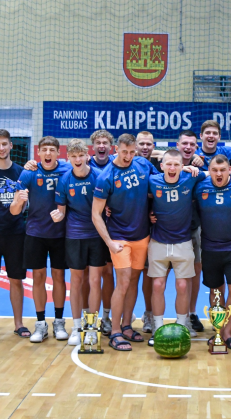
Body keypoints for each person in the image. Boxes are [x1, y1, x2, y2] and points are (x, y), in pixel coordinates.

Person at [92, 133, 158, 351]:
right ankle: (115, 332)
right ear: (115, 150)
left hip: (142, 235)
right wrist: (109, 243)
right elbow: (96, 214)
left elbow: (160, 183)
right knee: (123, 282)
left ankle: (127, 325)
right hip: (119, 238)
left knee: (133, 282)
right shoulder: (106, 176)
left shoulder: (143, 165)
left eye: (132, 152)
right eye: (124, 152)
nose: (128, 156)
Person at [10, 136, 70, 343]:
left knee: (59, 277)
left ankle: (59, 322)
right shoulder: (29, 172)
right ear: (38, 152)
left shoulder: (67, 169)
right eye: (44, 150)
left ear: (58, 153)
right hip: (35, 233)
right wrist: (19, 201)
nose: (48, 153)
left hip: (61, 233)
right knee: (38, 277)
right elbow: (14, 210)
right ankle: (41, 324)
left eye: (52, 150)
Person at [147, 150, 204, 346]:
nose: (172, 168)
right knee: (157, 285)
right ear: (161, 166)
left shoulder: (190, 178)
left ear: (182, 166)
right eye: (168, 164)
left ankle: (182, 326)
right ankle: (157, 327)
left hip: (183, 242)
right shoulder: (152, 180)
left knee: (182, 286)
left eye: (176, 165)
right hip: (158, 241)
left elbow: (215, 173)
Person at [53, 139, 107, 346]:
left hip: (96, 235)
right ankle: (76, 327)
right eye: (73, 156)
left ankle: (92, 327)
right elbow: (61, 210)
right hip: (74, 236)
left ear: (87, 156)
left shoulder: (98, 176)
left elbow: (106, 203)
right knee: (76, 281)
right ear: (68, 158)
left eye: (80, 155)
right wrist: (57, 216)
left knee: (94, 281)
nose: (77, 159)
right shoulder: (64, 180)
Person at [194, 154, 231, 350]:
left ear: (229, 170)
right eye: (215, 170)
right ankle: (218, 330)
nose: (219, 174)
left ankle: (227, 332)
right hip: (210, 249)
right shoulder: (199, 186)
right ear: (209, 171)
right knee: (216, 292)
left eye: (223, 170)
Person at [0, 129, 30, 339]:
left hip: (15, 234)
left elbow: (24, 205)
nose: (1, 148)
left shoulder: (21, 172)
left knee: (16, 280)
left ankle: (19, 324)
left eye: (5, 144)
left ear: (11, 145)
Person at [87, 129, 116, 335]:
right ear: (93, 146)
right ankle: (87, 319)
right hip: (88, 230)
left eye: (105, 143)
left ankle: (106, 317)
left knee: (108, 272)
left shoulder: (117, 163)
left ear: (111, 147)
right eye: (98, 143)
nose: (101, 146)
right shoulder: (84, 164)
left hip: (113, 228)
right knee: (87, 275)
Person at [176, 130, 205, 333]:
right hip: (167, 230)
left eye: (192, 144)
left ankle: (191, 312)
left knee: (194, 271)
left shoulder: (200, 167)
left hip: (195, 226)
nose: (188, 147)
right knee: (160, 277)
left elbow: (217, 173)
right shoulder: (165, 163)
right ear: (177, 145)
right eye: (184, 143)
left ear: (196, 147)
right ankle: (153, 315)